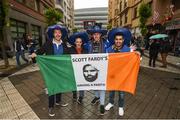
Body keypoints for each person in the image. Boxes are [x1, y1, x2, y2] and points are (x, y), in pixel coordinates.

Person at [30, 25, 69, 117]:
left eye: (59, 32)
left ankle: (58, 101)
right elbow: (40, 51)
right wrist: (35, 54)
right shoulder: (48, 43)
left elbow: (69, 54)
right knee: (52, 87)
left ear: (61, 34)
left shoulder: (64, 44)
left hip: (61, 70)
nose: (58, 34)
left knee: (60, 85)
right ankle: (51, 106)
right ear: (53, 34)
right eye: (56, 32)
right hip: (50, 70)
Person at [104, 28, 140, 116]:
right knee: (111, 91)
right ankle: (111, 103)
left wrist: (138, 54)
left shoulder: (128, 50)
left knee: (121, 93)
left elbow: (136, 58)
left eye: (120, 39)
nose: (118, 41)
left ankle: (120, 106)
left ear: (123, 40)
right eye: (116, 39)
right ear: (114, 40)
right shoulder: (109, 50)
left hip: (122, 76)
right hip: (112, 74)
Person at [86, 25, 110, 115]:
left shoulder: (106, 43)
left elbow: (115, 49)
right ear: (92, 35)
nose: (96, 36)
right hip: (92, 68)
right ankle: (96, 97)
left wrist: (132, 51)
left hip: (103, 69)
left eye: (98, 34)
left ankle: (102, 105)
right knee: (94, 84)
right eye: (94, 34)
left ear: (100, 35)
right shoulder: (88, 44)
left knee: (102, 86)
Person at [68, 31, 89, 104]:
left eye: (80, 42)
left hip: (82, 70)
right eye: (77, 42)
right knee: (73, 83)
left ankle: (81, 97)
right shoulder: (70, 50)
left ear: (82, 42)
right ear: (74, 42)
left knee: (81, 84)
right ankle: (74, 94)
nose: (79, 43)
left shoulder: (86, 50)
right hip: (73, 69)